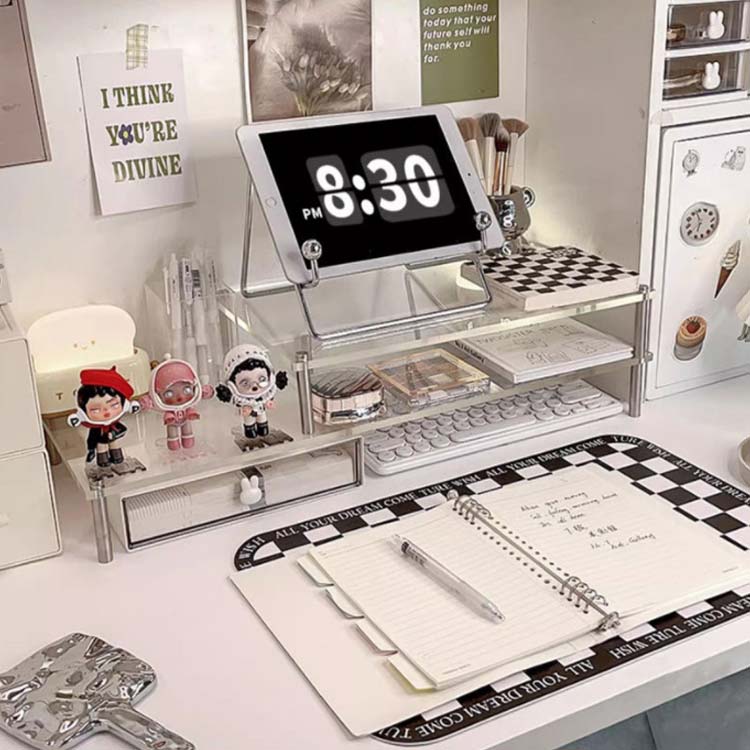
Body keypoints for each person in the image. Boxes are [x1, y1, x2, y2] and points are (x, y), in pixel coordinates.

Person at [216, 344, 288, 438]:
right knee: (249, 420)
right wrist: (243, 408)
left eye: (262, 379)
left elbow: (267, 399)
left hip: (261, 410)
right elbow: (238, 403)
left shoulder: (266, 394)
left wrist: (268, 402)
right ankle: (250, 430)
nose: (254, 386)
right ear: (233, 385)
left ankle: (263, 427)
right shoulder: (241, 399)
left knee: (262, 418)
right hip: (249, 412)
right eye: (245, 383)